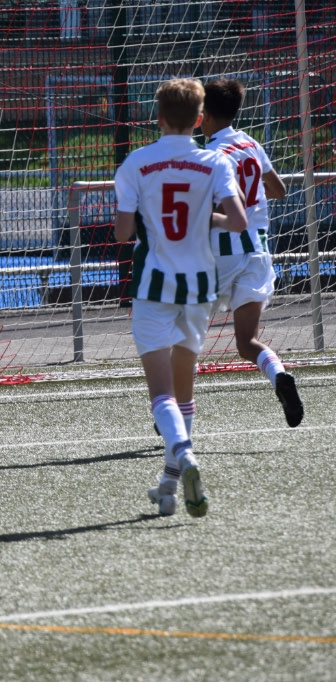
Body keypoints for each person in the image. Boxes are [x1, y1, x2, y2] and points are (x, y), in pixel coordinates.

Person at [114, 78, 248, 518]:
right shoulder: (215, 161)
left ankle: (185, 456)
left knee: (162, 393)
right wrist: (202, 218)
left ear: (158, 118)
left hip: (153, 286)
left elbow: (123, 233)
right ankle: (169, 485)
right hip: (199, 286)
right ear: (198, 118)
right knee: (184, 385)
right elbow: (238, 222)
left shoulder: (136, 162)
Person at [202, 78, 303, 428]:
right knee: (247, 343)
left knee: (181, 332)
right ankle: (279, 376)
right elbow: (279, 189)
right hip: (257, 254)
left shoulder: (211, 154)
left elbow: (220, 206)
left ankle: (173, 407)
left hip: (221, 255)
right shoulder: (250, 143)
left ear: (205, 115)